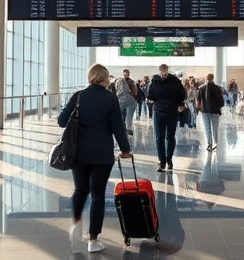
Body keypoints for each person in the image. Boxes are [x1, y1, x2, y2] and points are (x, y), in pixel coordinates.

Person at [57, 63, 132, 254]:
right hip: (102, 154)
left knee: (80, 190)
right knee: (98, 194)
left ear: (90, 77)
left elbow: (61, 121)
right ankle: (93, 240)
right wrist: (125, 149)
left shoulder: (78, 96)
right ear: (106, 78)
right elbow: (118, 127)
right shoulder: (110, 99)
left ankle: (76, 223)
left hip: (79, 153)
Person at [146, 63, 186, 173]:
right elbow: (149, 95)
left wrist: (181, 104)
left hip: (172, 110)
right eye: (162, 69)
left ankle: (169, 159)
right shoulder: (155, 80)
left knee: (170, 136)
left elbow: (181, 94)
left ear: (167, 70)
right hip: (159, 110)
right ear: (159, 70)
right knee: (159, 137)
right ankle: (162, 161)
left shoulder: (175, 80)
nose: (163, 71)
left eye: (165, 69)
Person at [197, 73, 225, 150]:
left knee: (207, 128)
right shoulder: (218, 88)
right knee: (215, 128)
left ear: (206, 79)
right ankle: (215, 143)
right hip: (215, 110)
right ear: (213, 78)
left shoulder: (201, 88)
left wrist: (199, 109)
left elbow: (198, 101)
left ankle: (209, 144)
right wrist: (219, 106)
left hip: (205, 111)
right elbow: (222, 101)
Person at [109, 68, 138, 134]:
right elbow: (135, 91)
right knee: (126, 116)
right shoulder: (129, 81)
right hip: (125, 100)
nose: (125, 75)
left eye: (126, 74)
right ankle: (127, 129)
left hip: (123, 100)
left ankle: (125, 129)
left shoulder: (119, 81)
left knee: (124, 115)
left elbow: (134, 91)